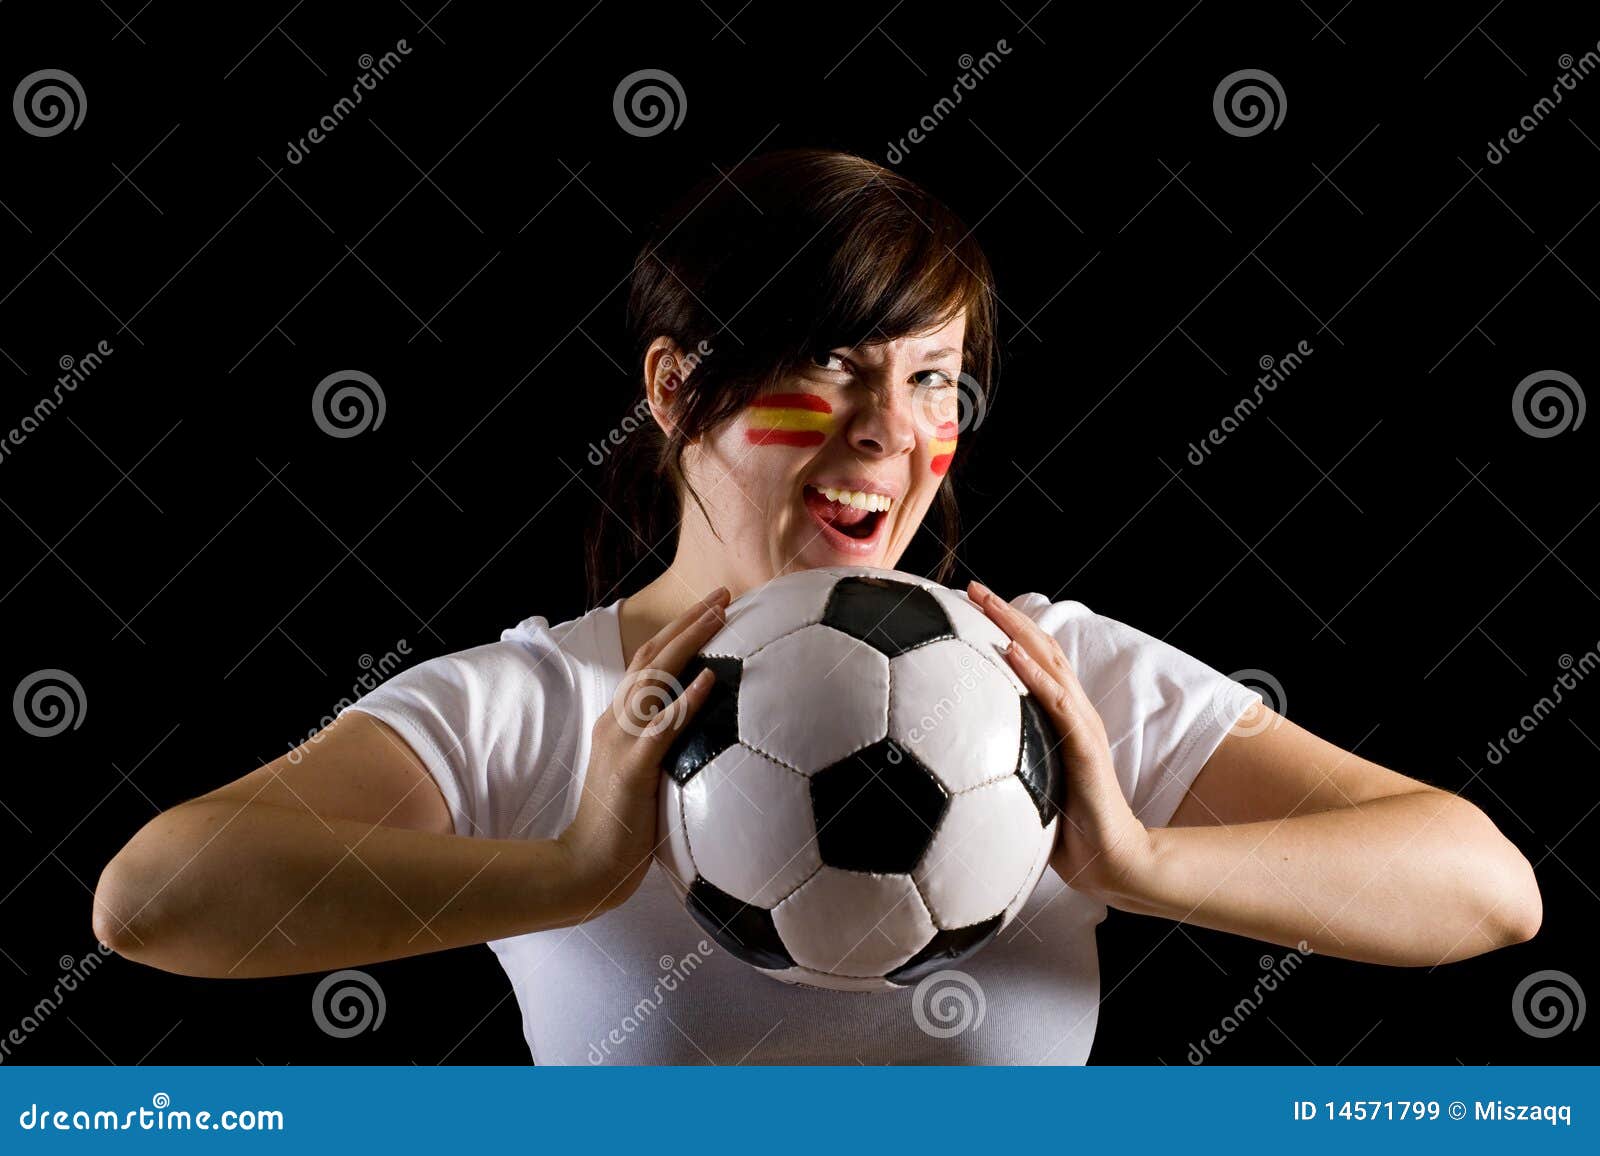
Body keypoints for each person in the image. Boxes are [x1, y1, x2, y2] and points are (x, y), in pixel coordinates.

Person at [92, 149, 1541, 1065]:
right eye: (832, 369)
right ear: (676, 391)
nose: (889, 434)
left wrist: (1141, 859)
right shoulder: (532, 709)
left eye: (932, 381)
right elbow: (154, 899)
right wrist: (571, 873)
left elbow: (1486, 886)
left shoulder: (1053, 682)